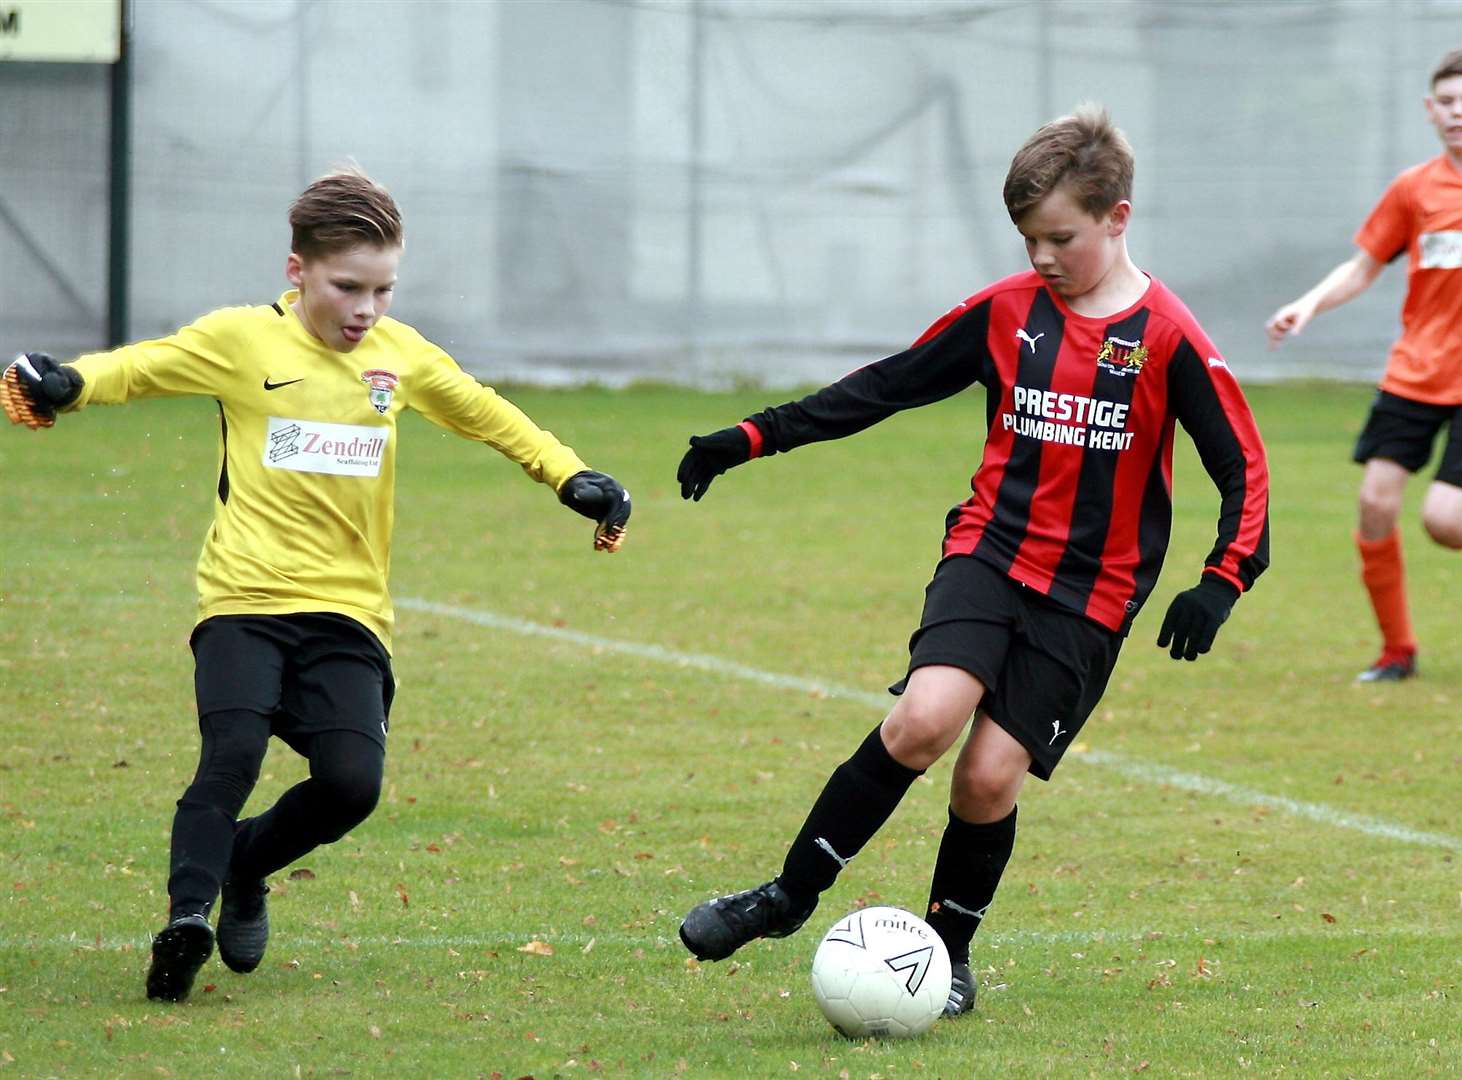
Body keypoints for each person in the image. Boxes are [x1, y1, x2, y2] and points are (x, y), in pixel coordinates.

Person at [673, 105, 1270, 1018]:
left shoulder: (1167, 336)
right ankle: (786, 898)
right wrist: (750, 438)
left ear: (1117, 217)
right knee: (924, 720)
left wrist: (1220, 580)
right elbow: (886, 385)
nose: (1040, 256)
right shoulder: (1007, 313)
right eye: (1029, 238)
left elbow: (1244, 467)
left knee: (989, 776)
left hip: (1091, 597)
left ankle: (947, 954)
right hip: (988, 552)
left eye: (1060, 237)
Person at [2, 167, 631, 1003]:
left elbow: (485, 411)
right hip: (244, 601)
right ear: (297, 271)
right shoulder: (242, 341)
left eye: (383, 290)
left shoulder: (399, 357)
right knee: (231, 752)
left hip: (348, 612)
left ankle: (245, 866)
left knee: (350, 784)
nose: (366, 309)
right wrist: (70, 385)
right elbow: (144, 369)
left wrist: (568, 474)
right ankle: (187, 918)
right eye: (348, 287)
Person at [1266, 47, 1462, 683]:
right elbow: (1362, 266)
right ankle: (1397, 651)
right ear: (1430, 111)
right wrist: (1309, 304)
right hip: (1415, 370)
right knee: (1375, 503)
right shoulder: (1414, 189)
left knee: (1444, 521)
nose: (1459, 112)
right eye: (1448, 102)